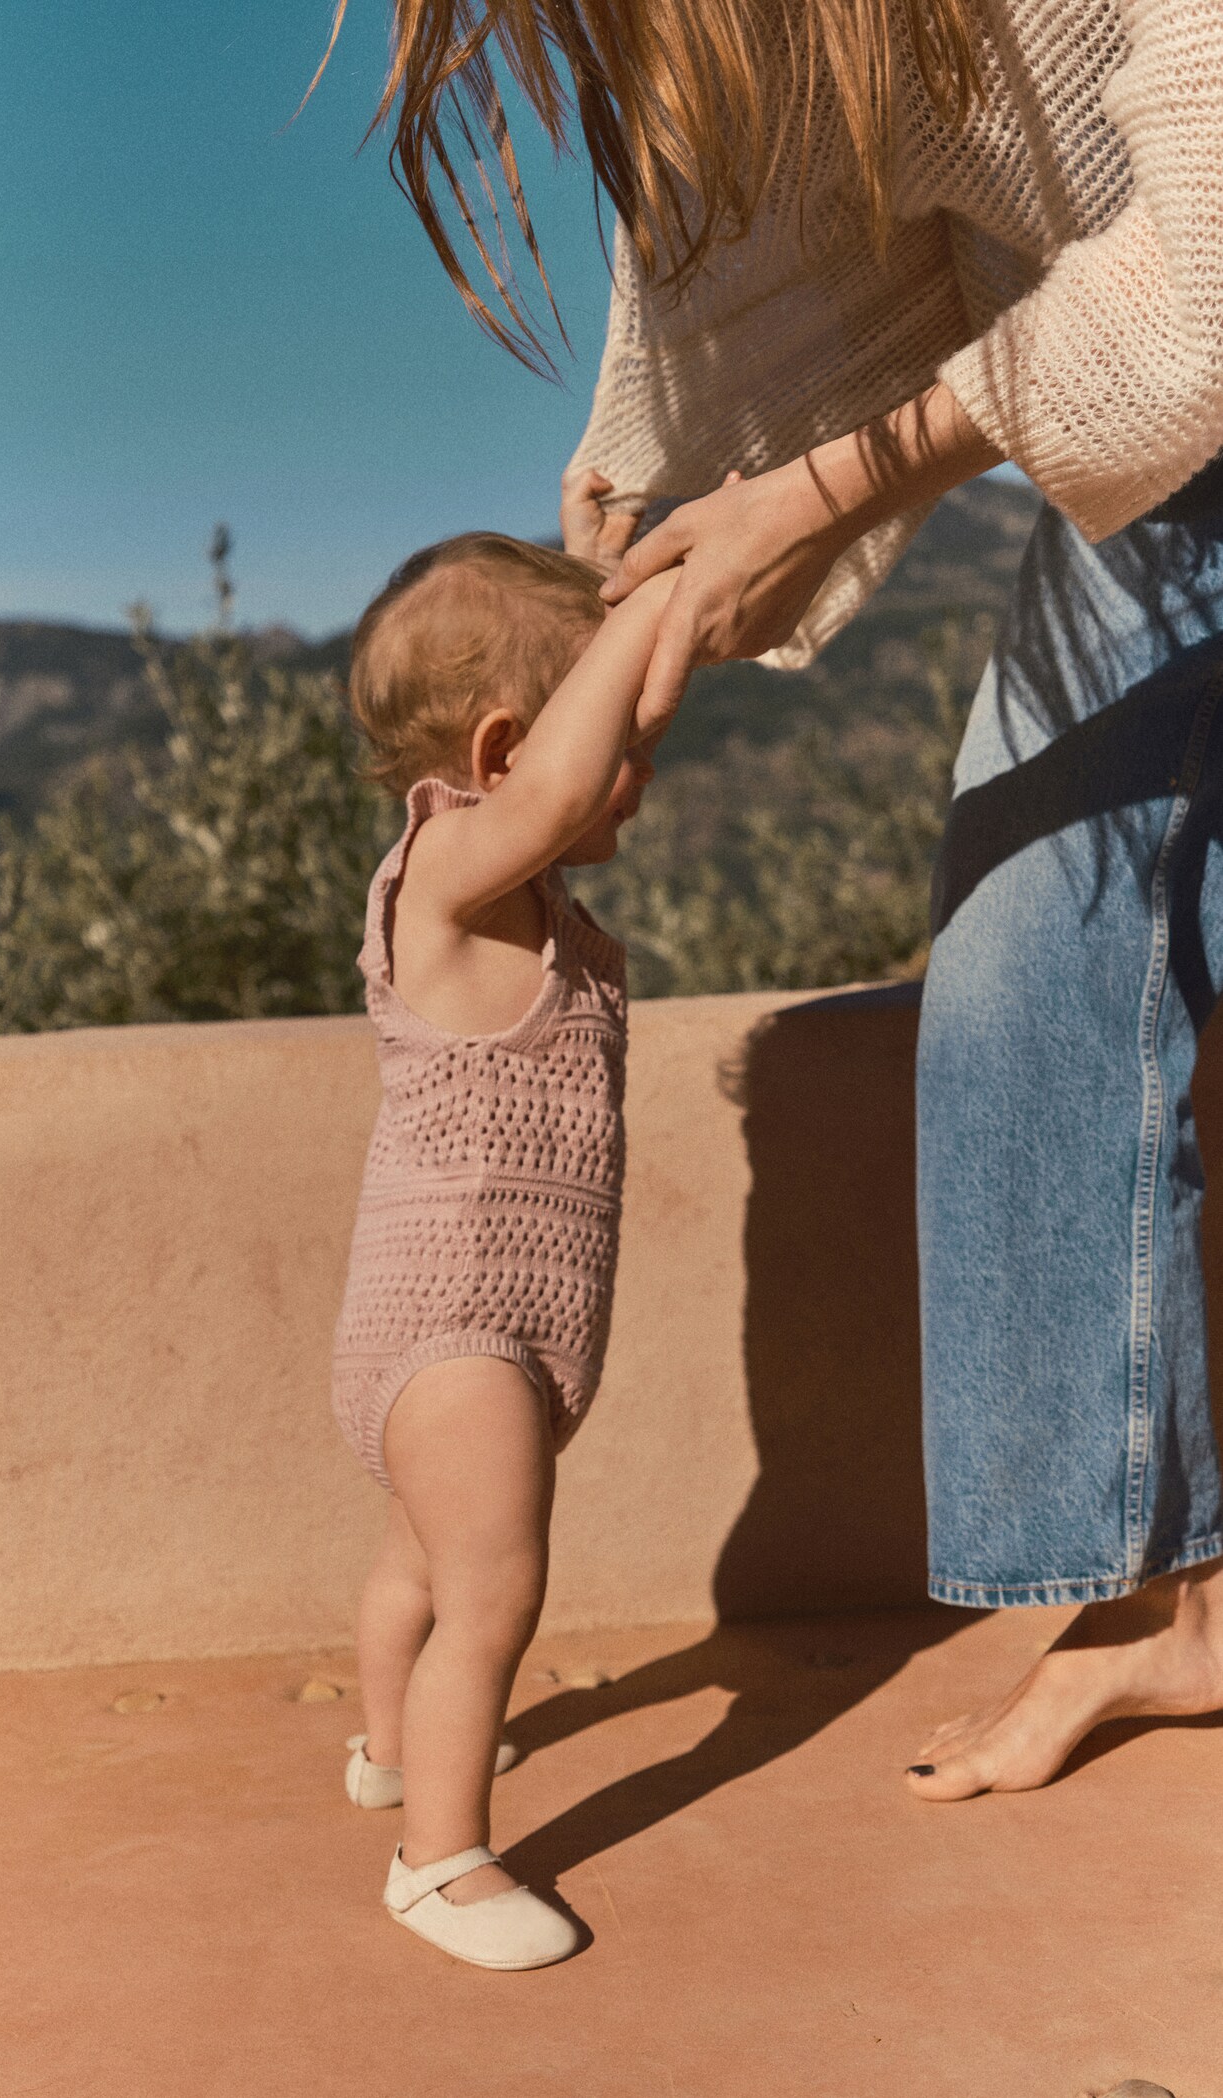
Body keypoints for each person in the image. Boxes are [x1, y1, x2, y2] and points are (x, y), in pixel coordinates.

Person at [364, 0, 1223, 1798]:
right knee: (1025, 946)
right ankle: (1173, 1611)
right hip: (1178, 457)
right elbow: (774, 195)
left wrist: (809, 495)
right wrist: (676, 486)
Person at [331, 522, 670, 1968]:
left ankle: (391, 1750)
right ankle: (440, 1862)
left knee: (420, 1564)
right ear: (505, 748)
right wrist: (656, 619)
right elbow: (548, 793)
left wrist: (629, 577)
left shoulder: (536, 906)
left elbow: (559, 785)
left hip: (496, 1331)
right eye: (625, 734)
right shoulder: (448, 875)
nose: (640, 768)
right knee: (493, 1587)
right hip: (452, 1330)